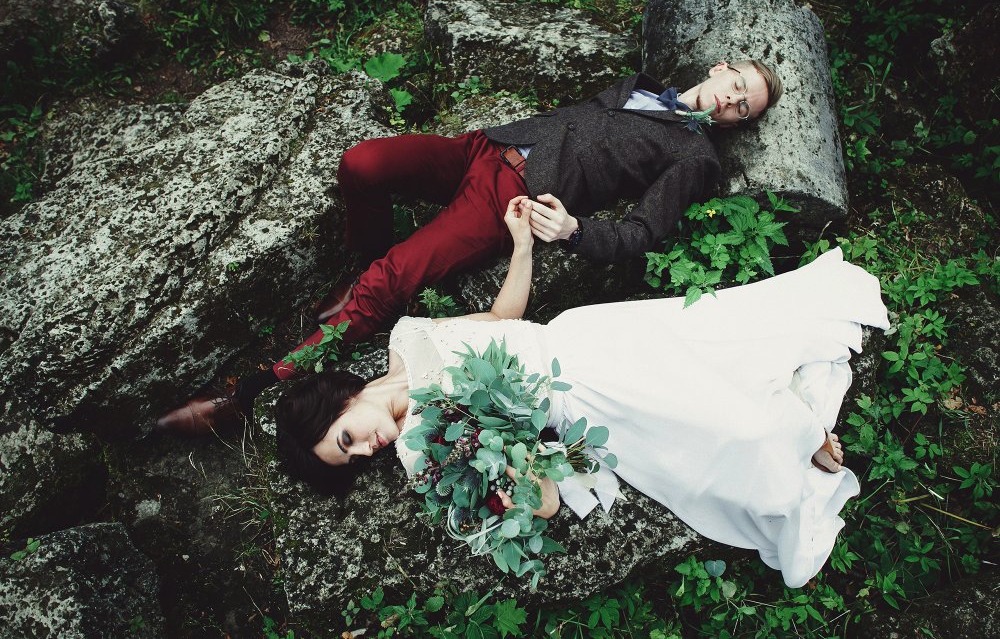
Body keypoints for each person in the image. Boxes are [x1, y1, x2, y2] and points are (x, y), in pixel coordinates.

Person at [274, 196, 890, 588]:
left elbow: (503, 319)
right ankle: (798, 433)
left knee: (718, 347)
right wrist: (518, 469)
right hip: (584, 402)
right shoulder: (422, 451)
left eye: (346, 439)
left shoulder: (408, 336)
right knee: (726, 428)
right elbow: (540, 504)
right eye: (355, 459)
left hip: (581, 336)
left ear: (340, 402)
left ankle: (797, 417)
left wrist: (521, 246)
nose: (368, 450)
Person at [157, 60, 784, 435]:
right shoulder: (638, 84)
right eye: (736, 85)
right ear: (720, 68)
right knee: (363, 164)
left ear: (739, 122)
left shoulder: (694, 156)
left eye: (743, 109)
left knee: (392, 281)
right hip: (484, 146)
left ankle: (251, 389)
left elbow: (642, 235)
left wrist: (573, 230)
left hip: (509, 197)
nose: (731, 101)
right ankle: (363, 267)